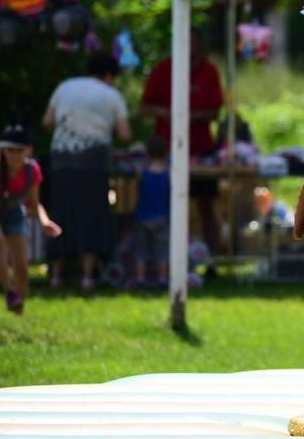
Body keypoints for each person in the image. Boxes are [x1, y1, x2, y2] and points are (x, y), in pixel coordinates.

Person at [43, 53, 131, 291]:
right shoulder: (112, 95)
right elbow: (125, 134)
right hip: (93, 163)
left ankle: (56, 276)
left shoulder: (65, 86)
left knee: (61, 213)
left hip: (62, 161)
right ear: (109, 75)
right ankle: (87, 277)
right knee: (92, 217)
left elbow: (47, 121)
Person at [141, 31, 223, 253]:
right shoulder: (162, 70)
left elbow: (216, 111)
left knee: (206, 205)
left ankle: (212, 258)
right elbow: (144, 107)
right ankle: (166, 257)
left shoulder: (208, 71)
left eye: (192, 42)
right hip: (167, 149)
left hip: (200, 149)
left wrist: (192, 116)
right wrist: (165, 112)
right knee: (165, 206)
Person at [0, 123, 62, 313]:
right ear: (2, 150)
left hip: (15, 214)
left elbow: (34, 203)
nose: (14, 155)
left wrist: (44, 221)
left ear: (28, 150)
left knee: (22, 271)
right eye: (10, 150)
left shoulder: (32, 171)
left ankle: (17, 307)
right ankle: (9, 290)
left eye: (19, 150)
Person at [131, 136, 170, 288]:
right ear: (167, 153)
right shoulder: (168, 174)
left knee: (141, 250)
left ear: (147, 153)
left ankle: (140, 278)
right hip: (162, 217)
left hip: (142, 217)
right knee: (162, 250)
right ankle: (162, 278)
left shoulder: (142, 172)